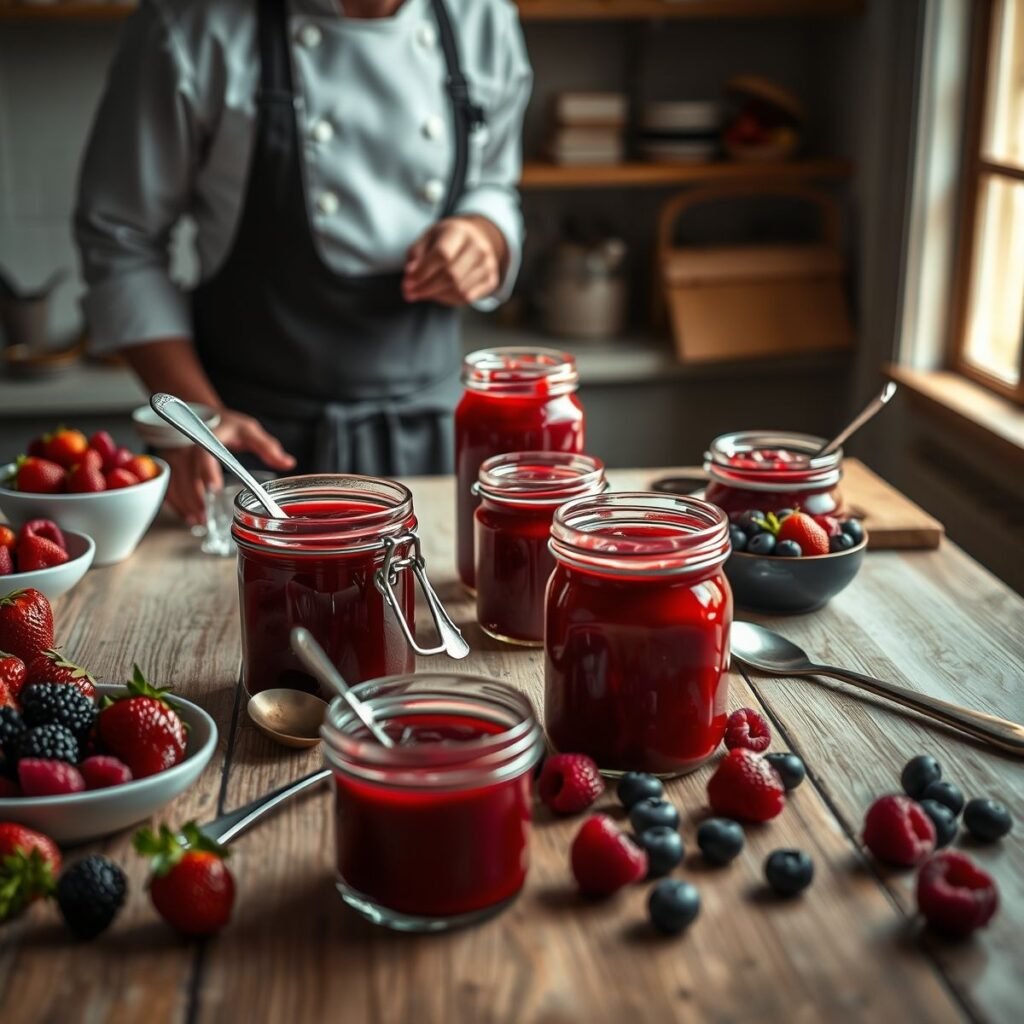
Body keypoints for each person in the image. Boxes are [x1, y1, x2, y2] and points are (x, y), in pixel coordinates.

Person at [75, 0, 531, 525]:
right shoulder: (191, 26)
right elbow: (120, 238)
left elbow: (494, 183)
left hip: (436, 441)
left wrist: (484, 232)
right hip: (253, 455)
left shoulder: (482, 16)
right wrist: (199, 417)